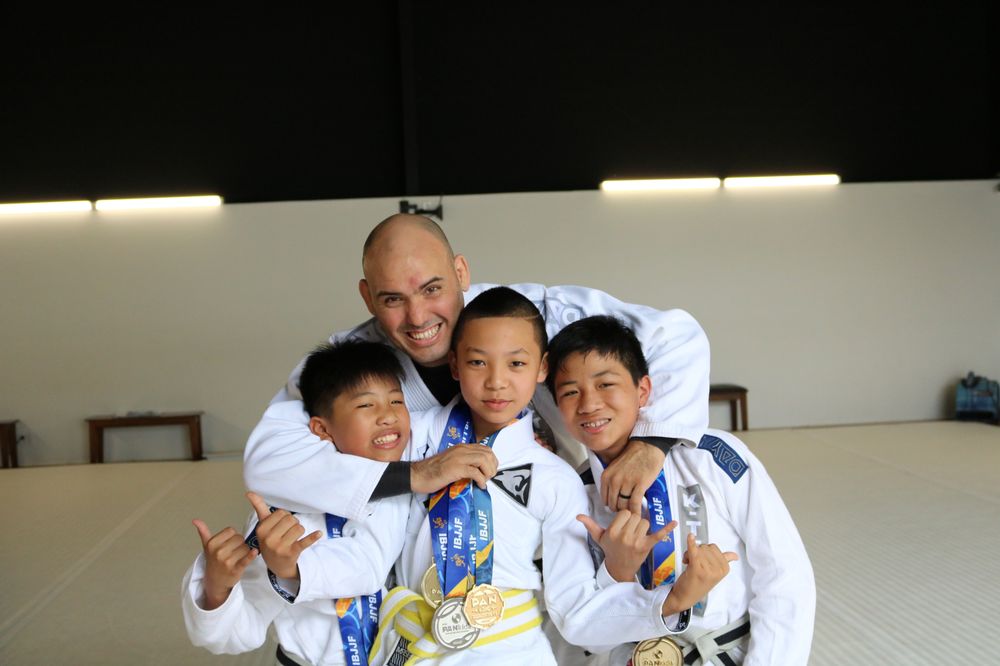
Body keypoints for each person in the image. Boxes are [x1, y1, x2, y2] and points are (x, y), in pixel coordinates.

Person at [244, 213, 711, 523]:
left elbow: (677, 336)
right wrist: (418, 475)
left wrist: (650, 444)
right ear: (367, 297)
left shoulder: (531, 315)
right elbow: (269, 460)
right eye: (392, 299)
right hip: (431, 549)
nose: (418, 317)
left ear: (461, 273)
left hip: (568, 511)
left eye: (432, 289)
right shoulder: (350, 364)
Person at [369, 288, 725, 665]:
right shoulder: (406, 436)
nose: (496, 381)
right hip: (413, 649)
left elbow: (575, 611)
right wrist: (417, 474)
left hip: (511, 653)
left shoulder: (557, 479)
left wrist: (669, 603)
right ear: (455, 365)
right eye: (477, 362)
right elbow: (344, 486)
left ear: (542, 369)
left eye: (516, 363)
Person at [547, 316, 816, 665]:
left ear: (643, 390)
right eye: (570, 392)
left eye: (606, 384)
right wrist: (616, 572)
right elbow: (583, 635)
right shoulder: (571, 492)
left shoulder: (711, 457)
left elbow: (784, 574)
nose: (589, 404)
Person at [182, 340, 417, 665]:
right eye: (366, 405)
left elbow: (371, 564)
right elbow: (238, 631)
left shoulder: (413, 472)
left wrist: (292, 569)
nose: (388, 416)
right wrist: (217, 588)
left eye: (397, 401)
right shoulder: (285, 515)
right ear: (321, 428)